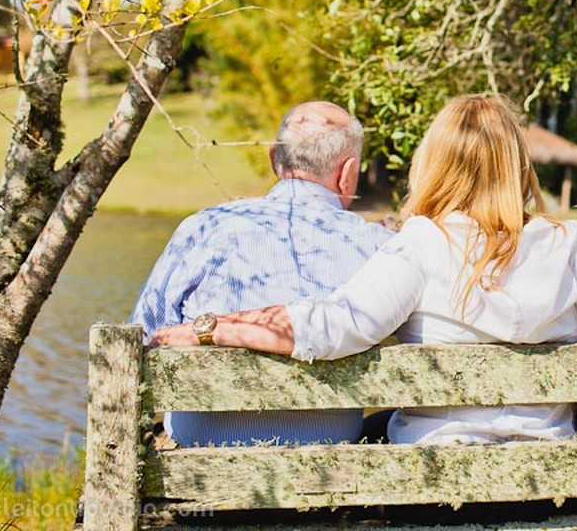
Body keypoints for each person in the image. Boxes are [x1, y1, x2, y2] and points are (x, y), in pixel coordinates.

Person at [150, 94, 577, 448]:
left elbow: (331, 327)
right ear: (517, 164)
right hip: (544, 486)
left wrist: (211, 329)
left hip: (435, 481)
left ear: (435, 163)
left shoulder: (421, 243)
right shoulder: (567, 246)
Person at [130, 100, 393, 446]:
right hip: (326, 462)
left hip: (198, 460)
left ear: (274, 158)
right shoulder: (378, 246)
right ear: (347, 173)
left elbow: (143, 334)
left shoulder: (204, 227)